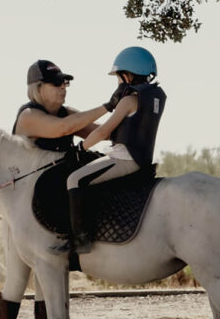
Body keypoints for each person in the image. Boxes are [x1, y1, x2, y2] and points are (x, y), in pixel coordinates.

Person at [0, 59, 112, 319]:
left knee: (47, 284)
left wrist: (127, 110)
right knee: (16, 283)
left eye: (65, 83)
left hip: (52, 211)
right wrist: (108, 105)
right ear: (38, 88)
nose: (63, 88)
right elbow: (63, 130)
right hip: (24, 215)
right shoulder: (29, 116)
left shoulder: (66, 112)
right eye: (56, 83)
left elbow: (97, 131)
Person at [51, 46, 166, 256]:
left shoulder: (128, 101)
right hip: (142, 159)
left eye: (119, 77)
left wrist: (81, 147)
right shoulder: (153, 99)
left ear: (128, 75)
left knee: (74, 180)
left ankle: (81, 240)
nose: (118, 82)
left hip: (124, 160)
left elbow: (103, 131)